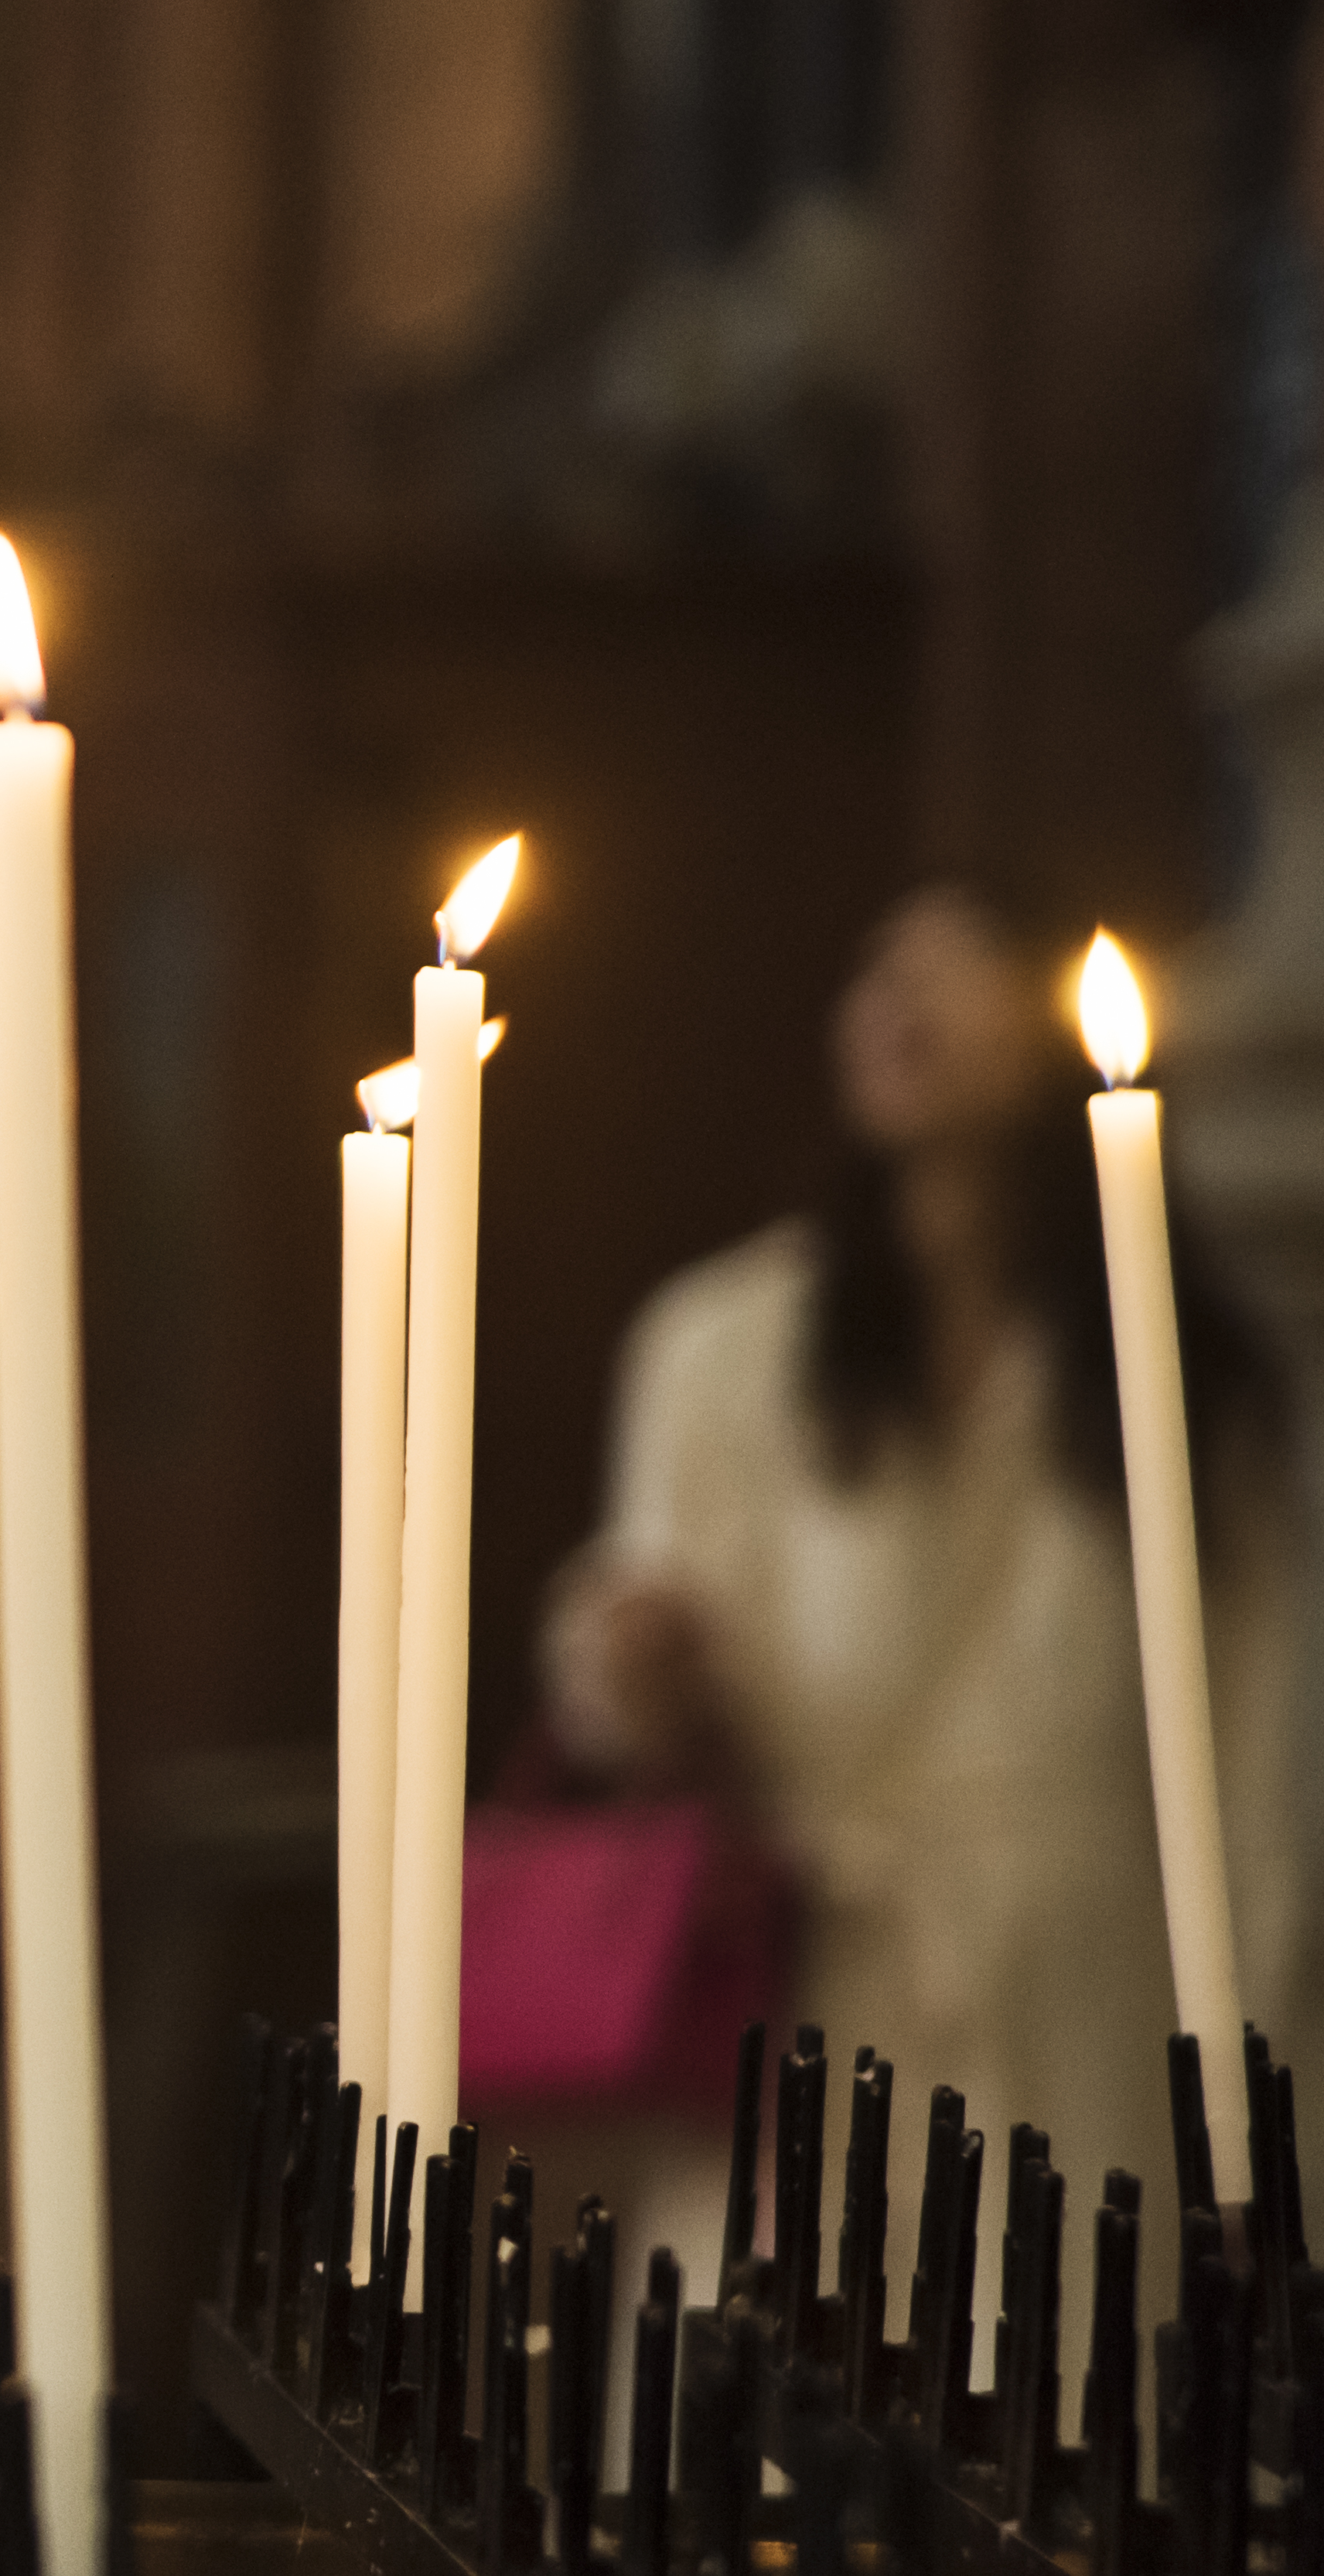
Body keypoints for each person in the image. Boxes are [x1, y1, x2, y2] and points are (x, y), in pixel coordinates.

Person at [541, 883, 1298, 2279]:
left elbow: (1253, 1748)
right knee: (766, 2427)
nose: (904, 1002)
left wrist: (1256, 2081)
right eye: (880, 968)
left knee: (1058, 2394)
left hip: (1078, 1999)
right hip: (808, 1981)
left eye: (960, 968)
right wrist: (628, 1663)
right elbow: (629, 1662)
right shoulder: (721, 1343)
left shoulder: (1176, 1366)